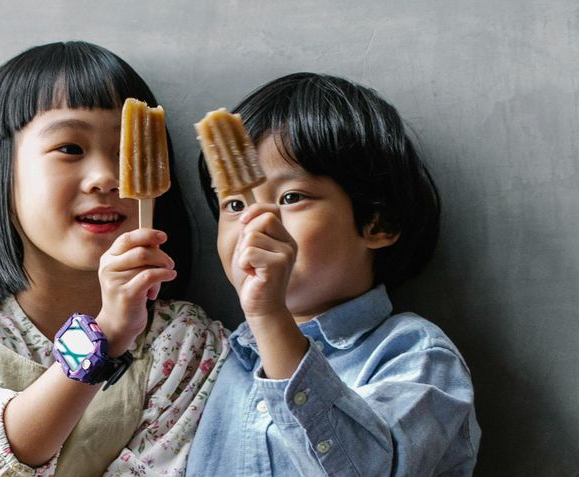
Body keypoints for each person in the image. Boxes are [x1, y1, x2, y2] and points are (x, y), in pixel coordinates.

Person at [0, 41, 228, 477]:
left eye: (124, 151)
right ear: (1, 170)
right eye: (70, 149)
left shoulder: (185, 341)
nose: (106, 178)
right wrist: (107, 333)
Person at [186, 73, 480, 476]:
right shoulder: (223, 360)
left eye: (291, 197)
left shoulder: (416, 356)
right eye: (234, 205)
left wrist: (270, 316)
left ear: (378, 223)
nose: (254, 223)